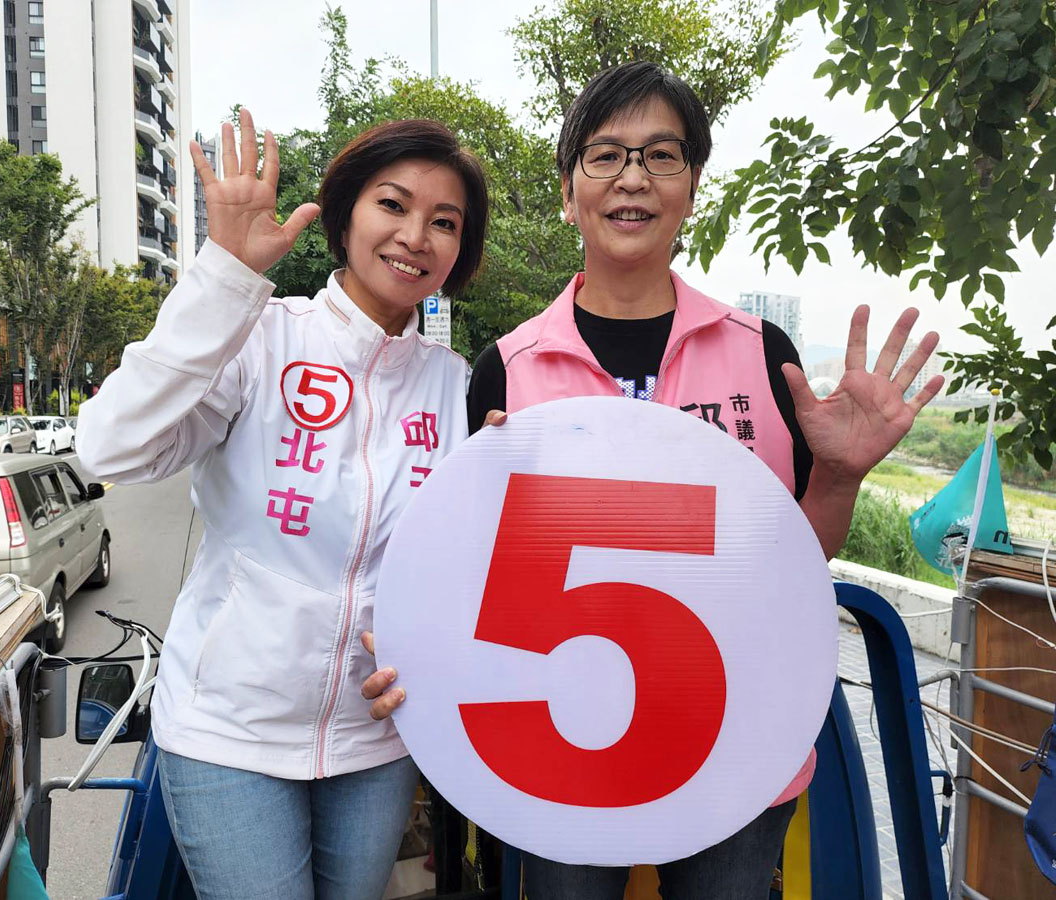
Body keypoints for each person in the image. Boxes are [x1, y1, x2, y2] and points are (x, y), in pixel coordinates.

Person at [362, 62, 943, 899]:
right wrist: (414, 642)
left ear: (693, 188)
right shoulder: (506, 369)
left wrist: (841, 476)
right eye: (606, 156)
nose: (633, 177)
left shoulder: (761, 353)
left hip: (737, 745)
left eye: (661, 155)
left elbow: (794, 558)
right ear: (569, 191)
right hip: (558, 746)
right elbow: (467, 579)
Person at [76, 110, 489, 900]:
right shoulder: (257, 338)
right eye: (393, 205)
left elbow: (457, 569)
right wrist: (224, 274)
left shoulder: (454, 384)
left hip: (377, 740)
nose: (416, 236)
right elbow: (110, 447)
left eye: (445, 222)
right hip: (230, 731)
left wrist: (432, 660)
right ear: (345, 216)